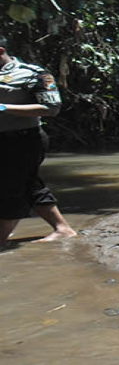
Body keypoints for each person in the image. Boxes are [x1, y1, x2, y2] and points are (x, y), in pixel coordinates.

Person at [0, 35, 77, 248]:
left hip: (23, 139)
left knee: (10, 188)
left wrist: (4, 107)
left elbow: (52, 108)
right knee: (29, 184)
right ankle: (63, 229)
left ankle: (1, 239)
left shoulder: (33, 74)